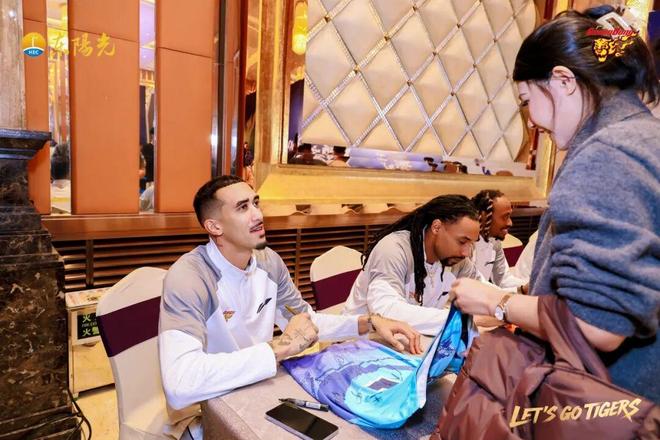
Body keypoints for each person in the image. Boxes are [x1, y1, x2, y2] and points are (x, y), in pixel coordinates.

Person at [449, 6, 660, 403]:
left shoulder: (607, 154)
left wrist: (495, 301)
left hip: (603, 403)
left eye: (527, 99)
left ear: (563, 81)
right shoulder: (647, 139)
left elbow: (597, 326)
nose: (530, 120)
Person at [158, 175, 421, 438]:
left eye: (256, 203)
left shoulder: (268, 261)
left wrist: (368, 322)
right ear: (214, 226)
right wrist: (280, 347)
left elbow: (305, 322)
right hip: (207, 407)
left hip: (256, 387)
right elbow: (180, 384)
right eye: (243, 207)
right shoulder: (190, 277)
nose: (258, 215)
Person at [342, 195, 487, 335]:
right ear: (436, 227)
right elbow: (386, 311)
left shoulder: (457, 261)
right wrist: (460, 320)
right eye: (462, 242)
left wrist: (499, 305)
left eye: (471, 244)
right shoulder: (394, 249)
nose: (466, 253)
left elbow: (486, 294)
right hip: (359, 340)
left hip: (409, 341)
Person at [470, 189, 527, 292]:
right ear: (484, 216)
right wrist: (522, 290)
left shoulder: (494, 242)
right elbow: (475, 287)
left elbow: (503, 280)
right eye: (505, 217)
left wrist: (531, 285)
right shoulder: (465, 245)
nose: (510, 223)